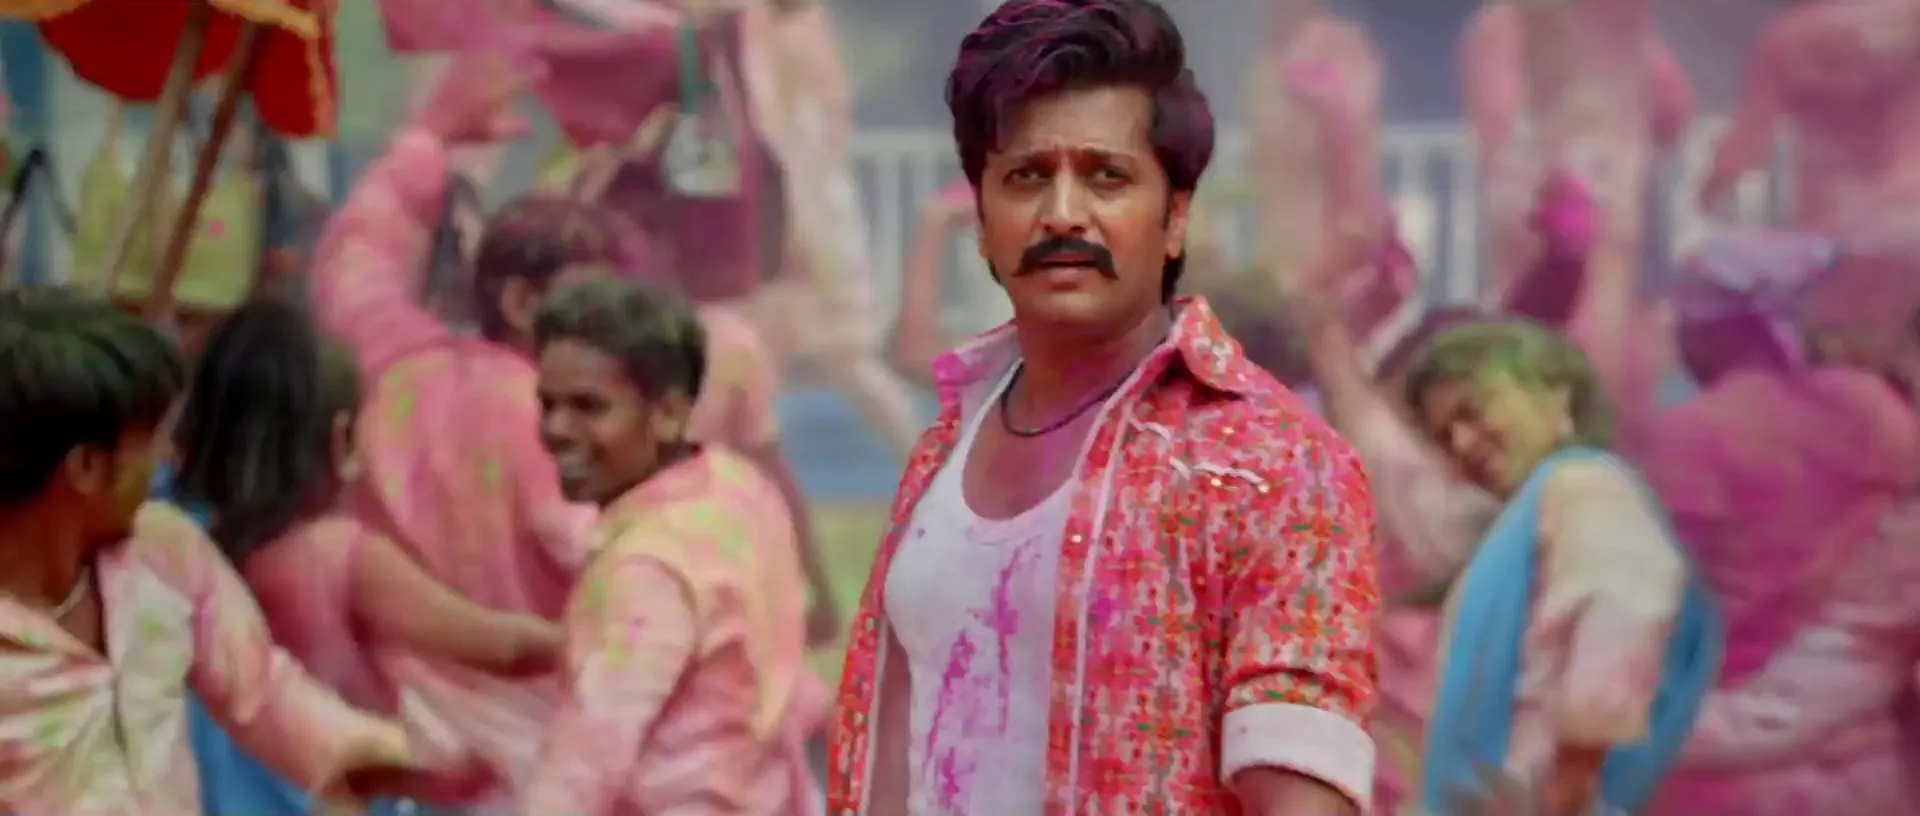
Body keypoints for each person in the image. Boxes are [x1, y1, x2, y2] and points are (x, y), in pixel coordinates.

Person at [826, 2, 1380, 813]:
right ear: (982, 221)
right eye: (1026, 177)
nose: (1062, 213)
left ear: (1176, 217)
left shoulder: (1273, 466)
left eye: (1106, 176)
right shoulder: (947, 444)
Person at [0, 285, 479, 814]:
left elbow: (265, 692)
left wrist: (411, 757)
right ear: (86, 468)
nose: (167, 456)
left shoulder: (165, 552)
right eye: (151, 439)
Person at [306, 49, 617, 798]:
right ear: (520, 302)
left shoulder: (389, 360)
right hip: (524, 764)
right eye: (594, 302)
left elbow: (357, 254)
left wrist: (430, 137)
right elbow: (608, 573)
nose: (615, 328)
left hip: (396, 749)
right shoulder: (563, 421)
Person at [521, 276, 819, 815]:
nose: (556, 429)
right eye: (548, 404)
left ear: (669, 414)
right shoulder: (739, 487)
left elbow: (585, 762)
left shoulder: (646, 567)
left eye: (589, 406)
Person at [1399, 319, 1720, 816]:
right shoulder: (1539, 511)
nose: (1462, 444)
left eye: (1473, 412)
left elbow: (1625, 603)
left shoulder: (1583, 482)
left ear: (1555, 394)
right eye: (1445, 438)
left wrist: (1572, 779)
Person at [1461, 0, 1692, 299]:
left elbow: (1673, 114)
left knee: (1602, 301)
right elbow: (1497, 125)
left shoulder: (1625, 35)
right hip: (1541, 220)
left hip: (1607, 225)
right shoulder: (1509, 24)